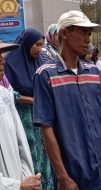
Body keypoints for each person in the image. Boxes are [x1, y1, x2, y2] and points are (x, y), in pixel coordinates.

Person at [32, 10, 101, 190]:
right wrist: (62, 176)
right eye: (82, 32)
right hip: (72, 173)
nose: (88, 39)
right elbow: (47, 129)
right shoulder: (46, 75)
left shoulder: (93, 72)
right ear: (64, 33)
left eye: (89, 33)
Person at [4, 28, 53, 190]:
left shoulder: (41, 62)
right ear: (27, 43)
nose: (39, 49)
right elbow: (10, 93)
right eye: (36, 45)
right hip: (21, 118)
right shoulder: (10, 62)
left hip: (39, 119)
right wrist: (34, 100)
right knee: (28, 154)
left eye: (42, 45)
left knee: (44, 155)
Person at [0, 41, 41, 190]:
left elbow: (21, 143)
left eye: (2, 56)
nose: (2, 61)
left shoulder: (5, 93)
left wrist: (26, 179)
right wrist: (16, 185)